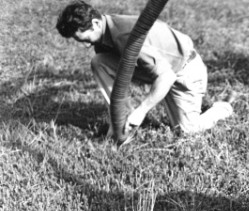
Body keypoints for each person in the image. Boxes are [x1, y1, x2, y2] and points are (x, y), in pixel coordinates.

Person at [56, 1, 236, 139]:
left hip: (184, 72)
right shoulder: (104, 28)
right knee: (99, 61)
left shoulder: (125, 36)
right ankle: (123, 123)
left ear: (95, 23)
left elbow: (167, 76)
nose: (86, 45)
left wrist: (141, 111)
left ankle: (223, 107)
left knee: (187, 131)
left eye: (85, 39)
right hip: (159, 69)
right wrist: (116, 122)